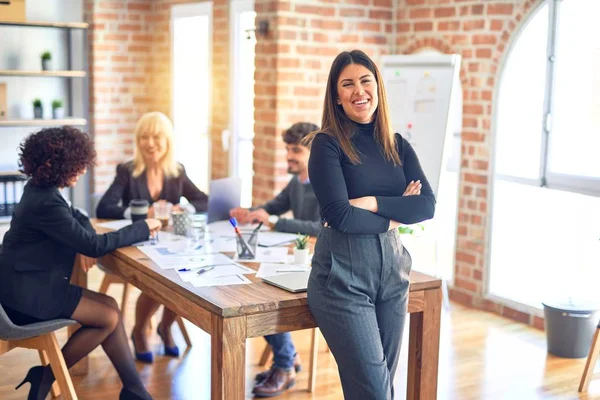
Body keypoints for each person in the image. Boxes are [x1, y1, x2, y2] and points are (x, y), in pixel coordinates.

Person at [304, 50, 436, 400]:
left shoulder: (396, 145)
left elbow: (426, 205)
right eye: (347, 84)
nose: (358, 90)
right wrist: (396, 214)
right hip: (342, 279)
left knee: (378, 390)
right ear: (336, 96)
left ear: (377, 86)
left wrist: (373, 203)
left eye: (365, 80)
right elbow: (341, 216)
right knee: (375, 392)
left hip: (394, 275)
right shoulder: (327, 145)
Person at [0, 126, 161, 400]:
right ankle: (48, 376)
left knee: (110, 310)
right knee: (108, 316)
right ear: (64, 165)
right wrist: (142, 227)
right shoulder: (46, 203)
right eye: (80, 164)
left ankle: (134, 390)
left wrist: (84, 235)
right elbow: (94, 246)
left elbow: (77, 215)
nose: (84, 170)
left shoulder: (42, 190)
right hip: (27, 298)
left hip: (27, 285)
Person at [96, 111, 208, 364]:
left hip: (171, 243)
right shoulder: (128, 171)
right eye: (144, 137)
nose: (150, 143)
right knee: (161, 276)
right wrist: (139, 212)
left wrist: (184, 208)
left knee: (183, 273)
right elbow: (103, 208)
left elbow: (203, 200)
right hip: (136, 245)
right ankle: (140, 329)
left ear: (168, 141)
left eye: (156, 136)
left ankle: (166, 327)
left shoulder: (176, 171)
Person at [229, 122, 321, 397]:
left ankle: (284, 365)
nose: (289, 156)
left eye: (295, 151)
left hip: (316, 262)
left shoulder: (325, 183)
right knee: (250, 291)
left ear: (312, 153)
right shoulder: (297, 182)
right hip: (294, 256)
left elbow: (320, 227)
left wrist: (276, 221)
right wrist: (250, 212)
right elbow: (273, 208)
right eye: (288, 150)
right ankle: (288, 358)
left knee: (264, 295)